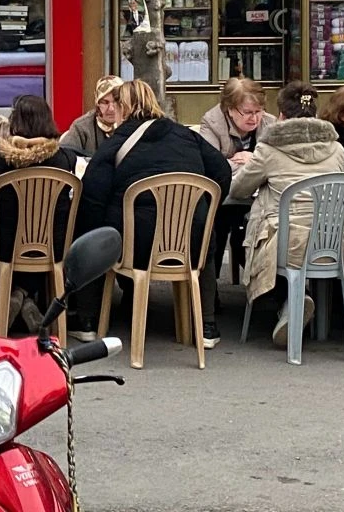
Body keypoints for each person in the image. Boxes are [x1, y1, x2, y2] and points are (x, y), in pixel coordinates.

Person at [75, 80, 232, 347]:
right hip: (189, 244)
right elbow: (222, 172)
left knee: (92, 230)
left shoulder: (117, 143)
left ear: (124, 107)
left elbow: (93, 196)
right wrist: (204, 209)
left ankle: (87, 320)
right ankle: (206, 325)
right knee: (207, 234)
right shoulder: (187, 135)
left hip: (135, 246)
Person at [228, 82, 344, 346]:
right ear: (315, 114)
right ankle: (305, 306)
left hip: (285, 243)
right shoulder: (337, 150)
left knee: (256, 234)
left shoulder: (269, 150)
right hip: (331, 243)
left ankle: (286, 302)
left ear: (281, 116)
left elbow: (238, 190)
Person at [0, 94, 80, 332]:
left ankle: (14, 294)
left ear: (15, 122)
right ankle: (25, 297)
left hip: (3, 245)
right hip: (51, 244)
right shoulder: (63, 159)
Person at [198, 77, 276, 169]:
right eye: (247, 112)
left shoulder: (270, 122)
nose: (254, 119)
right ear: (230, 109)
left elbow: (281, 162)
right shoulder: (212, 123)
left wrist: (255, 160)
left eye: (258, 111)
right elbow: (211, 166)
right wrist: (259, 164)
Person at [59, 75, 124, 156]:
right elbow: (65, 157)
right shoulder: (81, 127)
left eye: (116, 102)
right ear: (97, 103)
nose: (111, 108)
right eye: (105, 102)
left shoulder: (130, 125)